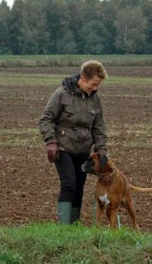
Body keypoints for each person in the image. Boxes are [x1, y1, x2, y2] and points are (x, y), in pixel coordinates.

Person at [38, 60, 108, 224]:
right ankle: (63, 227)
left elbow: (99, 127)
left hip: (83, 150)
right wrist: (51, 142)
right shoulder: (61, 94)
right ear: (83, 78)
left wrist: (101, 151)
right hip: (63, 147)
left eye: (98, 85)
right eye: (93, 84)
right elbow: (45, 120)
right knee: (69, 184)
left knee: (79, 188)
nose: (95, 88)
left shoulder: (95, 100)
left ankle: (74, 225)